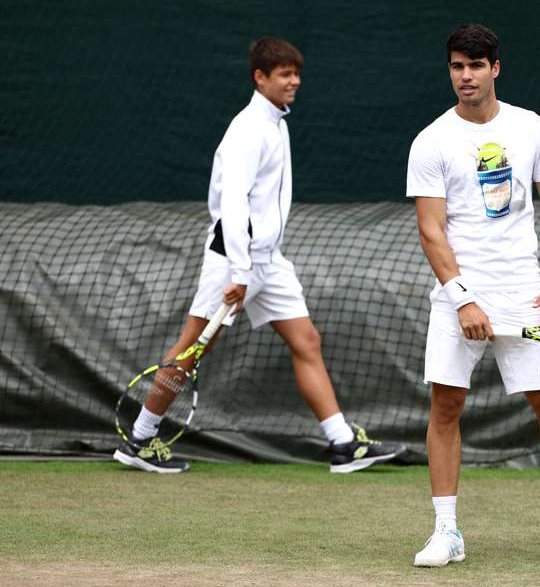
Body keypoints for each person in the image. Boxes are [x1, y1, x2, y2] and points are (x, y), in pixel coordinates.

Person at [114, 36, 403, 475]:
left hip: (269, 260)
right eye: (285, 74)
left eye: (296, 73)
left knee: (306, 341)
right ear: (260, 77)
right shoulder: (248, 129)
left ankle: (343, 444)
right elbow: (233, 203)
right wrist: (241, 269)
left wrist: (258, 264)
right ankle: (140, 438)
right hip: (234, 260)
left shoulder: (276, 123)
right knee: (191, 350)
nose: (295, 82)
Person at [406, 24, 540, 566]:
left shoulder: (532, 128)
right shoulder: (431, 140)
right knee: (446, 406)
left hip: (522, 292)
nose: (466, 76)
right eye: (457, 66)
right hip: (457, 293)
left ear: (495, 69)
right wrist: (463, 298)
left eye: (476, 66)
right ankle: (446, 532)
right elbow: (430, 231)